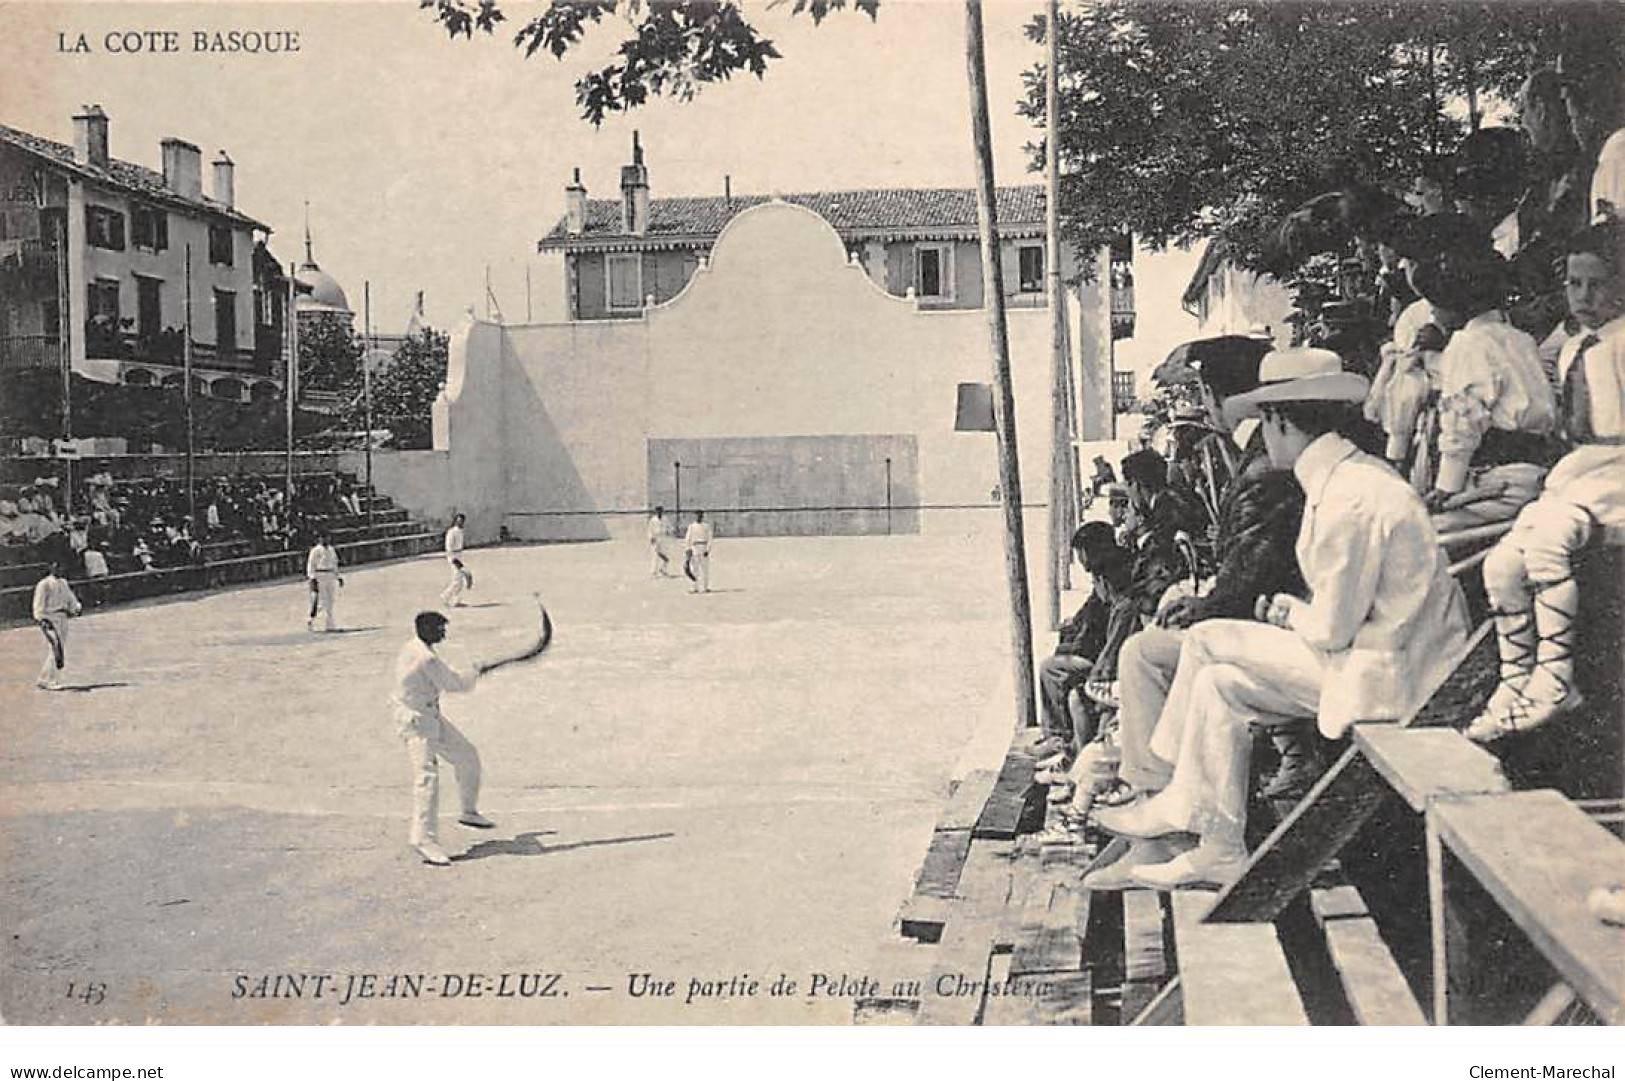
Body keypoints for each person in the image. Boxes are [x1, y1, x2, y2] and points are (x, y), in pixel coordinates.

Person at [1093, 348, 1470, 889]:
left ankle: (1174, 798)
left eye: (1266, 422)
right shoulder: (1350, 478)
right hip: (1376, 661)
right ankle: (1219, 846)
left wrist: (1286, 610)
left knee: (1204, 641)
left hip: (1394, 677)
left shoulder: (1351, 499)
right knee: (1221, 687)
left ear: (1280, 420)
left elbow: (1331, 629)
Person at [1467, 218, 1625, 741]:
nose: (1582, 296)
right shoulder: (1577, 346)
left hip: (1619, 476)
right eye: (1573, 283)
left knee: (1550, 543)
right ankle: (1516, 679)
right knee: (1501, 563)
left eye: (1597, 283)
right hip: (1583, 473)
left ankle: (1557, 675)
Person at [1408, 215, 1559, 530]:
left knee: (1422, 531)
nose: (1433, 312)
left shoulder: (1468, 344)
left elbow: (1464, 419)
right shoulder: (1520, 339)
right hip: (1537, 467)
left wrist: (1446, 485)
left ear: (1457, 304)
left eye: (1437, 304)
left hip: (1501, 478)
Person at [392, 610, 496, 866]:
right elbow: (455, 684)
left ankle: (468, 812)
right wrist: (476, 671)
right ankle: (423, 839)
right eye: (440, 629)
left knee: (467, 756)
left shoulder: (414, 646)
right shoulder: (425, 657)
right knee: (427, 778)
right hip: (416, 721)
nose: (444, 633)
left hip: (429, 715)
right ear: (426, 629)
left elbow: (446, 678)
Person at [1034, 522, 1132, 762]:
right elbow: (1087, 617)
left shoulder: (1112, 581)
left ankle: (1060, 737)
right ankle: (1061, 737)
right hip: (1098, 654)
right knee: (1057, 665)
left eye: (1081, 553)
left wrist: (1075, 646)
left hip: (1100, 660)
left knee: (1051, 669)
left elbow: (1106, 641)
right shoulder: (1107, 574)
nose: (1080, 560)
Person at [32, 560, 83, 691]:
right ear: (50, 568)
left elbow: (71, 598)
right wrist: (41, 619)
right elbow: (38, 604)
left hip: (62, 618)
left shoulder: (63, 583)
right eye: (56, 567)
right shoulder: (44, 584)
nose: (59, 569)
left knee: (57, 648)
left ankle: (43, 678)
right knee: (56, 648)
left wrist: (76, 608)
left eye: (61, 566)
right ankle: (51, 680)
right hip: (49, 618)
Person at [305, 532, 343, 632]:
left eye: (327, 537)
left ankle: (328, 623)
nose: (326, 539)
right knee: (322, 600)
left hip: (330, 575)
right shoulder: (315, 550)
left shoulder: (331, 549)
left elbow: (335, 563)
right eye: (323, 537)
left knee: (330, 600)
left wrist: (338, 576)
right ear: (319, 539)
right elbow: (311, 565)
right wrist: (312, 578)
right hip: (320, 575)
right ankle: (317, 621)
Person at [441, 513, 471, 608]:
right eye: (458, 520)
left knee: (460, 580)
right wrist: (454, 559)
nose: (460, 522)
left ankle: (456, 600)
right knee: (457, 580)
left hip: (459, 555)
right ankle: (445, 596)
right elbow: (449, 547)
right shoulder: (451, 532)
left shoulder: (461, 531)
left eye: (462, 521)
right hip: (453, 556)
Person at [684, 510, 713, 594]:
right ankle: (694, 587)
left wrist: (708, 550)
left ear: (702, 516)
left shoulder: (706, 526)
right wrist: (688, 549)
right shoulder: (692, 526)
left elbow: (710, 539)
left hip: (703, 547)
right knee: (694, 569)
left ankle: (705, 587)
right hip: (694, 547)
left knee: (705, 569)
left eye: (700, 515)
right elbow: (687, 539)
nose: (699, 517)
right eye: (697, 515)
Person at [647, 505, 673, 578]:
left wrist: (670, 532)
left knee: (665, 555)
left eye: (661, 511)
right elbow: (649, 530)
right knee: (655, 555)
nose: (659, 513)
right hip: (656, 538)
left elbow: (670, 527)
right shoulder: (653, 520)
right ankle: (653, 572)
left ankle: (663, 569)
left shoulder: (665, 519)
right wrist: (651, 538)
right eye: (658, 511)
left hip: (663, 538)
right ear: (656, 512)